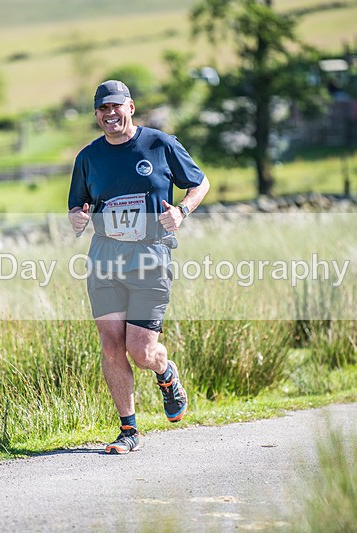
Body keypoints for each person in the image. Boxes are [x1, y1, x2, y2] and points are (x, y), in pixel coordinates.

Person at [68, 80, 210, 454]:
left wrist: (181, 211)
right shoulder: (88, 157)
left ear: (130, 107)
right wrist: (78, 218)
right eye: (102, 109)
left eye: (116, 106)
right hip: (104, 259)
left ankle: (166, 373)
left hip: (150, 258)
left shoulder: (160, 144)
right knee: (111, 345)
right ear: (97, 114)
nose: (109, 114)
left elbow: (200, 183)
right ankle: (129, 431)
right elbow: (77, 206)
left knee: (141, 351)